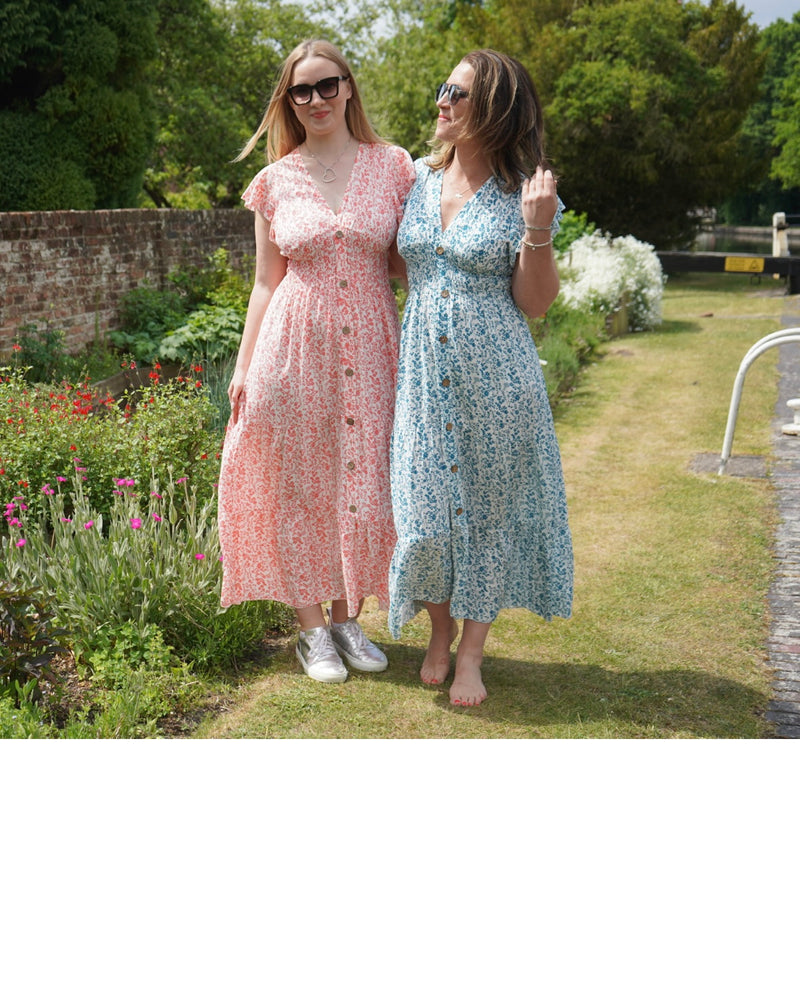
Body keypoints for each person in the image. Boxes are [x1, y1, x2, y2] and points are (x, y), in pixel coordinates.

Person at [218, 40, 415, 684]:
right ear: (289, 101)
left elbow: (409, 261)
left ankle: (346, 617)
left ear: (349, 87)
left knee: (362, 478)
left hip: (372, 346)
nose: (316, 100)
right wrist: (244, 366)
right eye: (301, 91)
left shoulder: (393, 167)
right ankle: (311, 631)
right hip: (293, 347)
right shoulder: (275, 181)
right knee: (300, 482)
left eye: (327, 85)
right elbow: (264, 283)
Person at [388, 49, 573, 707]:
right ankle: (438, 630)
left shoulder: (524, 193)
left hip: (497, 382)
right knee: (421, 514)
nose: (441, 100)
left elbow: (535, 301)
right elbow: (396, 262)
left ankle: (470, 653)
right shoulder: (413, 178)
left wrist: (538, 230)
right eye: (443, 87)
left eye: (457, 92)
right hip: (421, 378)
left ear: (494, 108)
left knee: (489, 518)